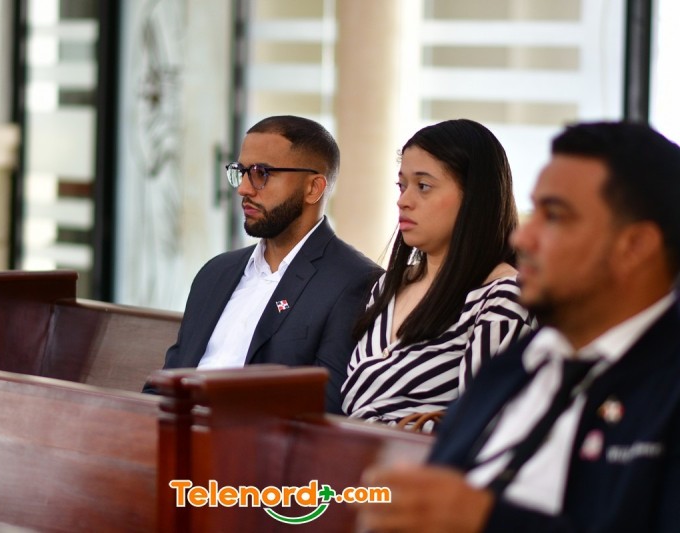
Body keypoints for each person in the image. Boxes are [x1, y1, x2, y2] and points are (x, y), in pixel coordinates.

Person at [357, 121, 680, 533]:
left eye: (555, 215)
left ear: (634, 246)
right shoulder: (520, 364)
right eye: (534, 211)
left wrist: (484, 519)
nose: (523, 238)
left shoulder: (665, 385)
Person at [142, 115, 382, 414]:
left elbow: (326, 409)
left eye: (261, 173)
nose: (243, 189)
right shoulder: (216, 272)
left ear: (313, 188)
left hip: (249, 440)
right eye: (241, 172)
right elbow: (165, 383)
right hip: (171, 432)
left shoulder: (354, 282)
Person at [341, 119, 535, 429]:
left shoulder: (502, 297)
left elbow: (480, 429)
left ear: (474, 197)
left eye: (423, 186)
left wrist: (402, 432)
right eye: (402, 186)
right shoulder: (389, 285)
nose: (403, 201)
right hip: (351, 455)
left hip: (419, 460)